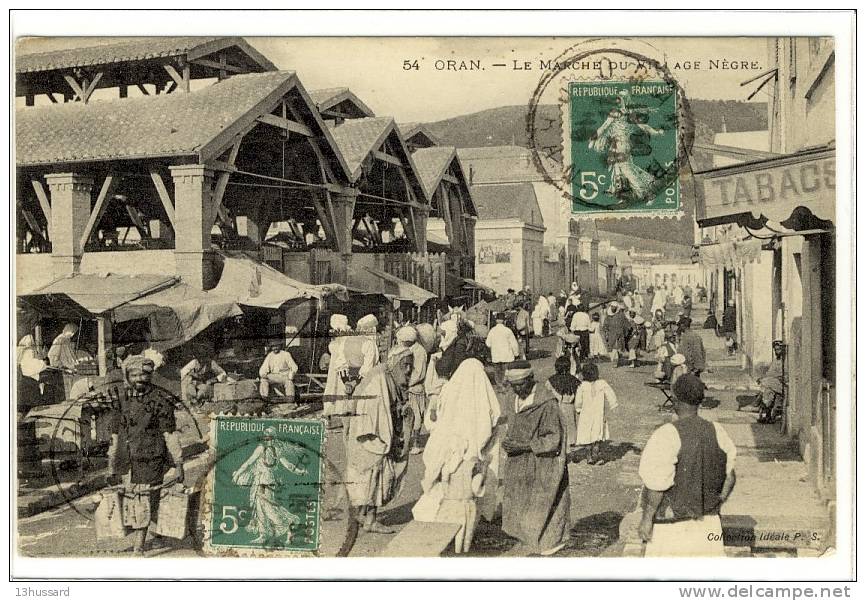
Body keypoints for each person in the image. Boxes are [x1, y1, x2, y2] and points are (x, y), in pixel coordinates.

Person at [638, 374, 737, 556]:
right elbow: (730, 476)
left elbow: (656, 485)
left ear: (675, 399)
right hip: (709, 526)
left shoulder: (666, 434)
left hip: (672, 529)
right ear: (700, 400)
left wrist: (646, 519)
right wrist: (717, 501)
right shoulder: (718, 431)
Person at [413, 358, 502, 553]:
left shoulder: (450, 390)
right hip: (472, 456)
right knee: (470, 497)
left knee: (443, 496)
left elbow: (433, 420)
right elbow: (493, 420)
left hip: (448, 450)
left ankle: (442, 534)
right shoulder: (484, 394)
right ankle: (464, 543)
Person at [107, 356, 184, 554]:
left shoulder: (159, 400)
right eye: (135, 374)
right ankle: (159, 534)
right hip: (128, 459)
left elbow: (170, 434)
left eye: (144, 374)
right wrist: (111, 465)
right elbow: (115, 435)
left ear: (151, 376)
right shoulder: (121, 401)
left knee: (142, 498)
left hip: (152, 458)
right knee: (147, 498)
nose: (140, 378)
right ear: (127, 377)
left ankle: (139, 547)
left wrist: (179, 463)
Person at [501, 362, 571, 556]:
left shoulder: (547, 403)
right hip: (519, 461)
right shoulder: (512, 398)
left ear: (530, 380)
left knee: (545, 501)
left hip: (542, 463)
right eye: (513, 385)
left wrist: (524, 446)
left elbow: (553, 438)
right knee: (522, 501)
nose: (517, 389)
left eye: (521, 385)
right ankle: (528, 539)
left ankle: (549, 544)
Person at [344, 348, 413, 534]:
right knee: (377, 476)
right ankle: (371, 520)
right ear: (395, 363)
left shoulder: (387, 375)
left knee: (367, 478)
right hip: (373, 437)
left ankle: (361, 513)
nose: (408, 370)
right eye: (404, 365)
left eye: (410, 366)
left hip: (367, 436)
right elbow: (378, 414)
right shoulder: (379, 380)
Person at [231, 426, 308, 545]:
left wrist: (237, 475)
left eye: (267, 436)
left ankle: (288, 524)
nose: (266, 438)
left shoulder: (261, 448)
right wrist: (300, 471)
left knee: (267, 507)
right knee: (261, 507)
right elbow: (288, 465)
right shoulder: (277, 450)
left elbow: (248, 462)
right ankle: (264, 534)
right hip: (269, 481)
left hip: (262, 480)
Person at [574, 362, 619, 464]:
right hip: (598, 413)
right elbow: (610, 394)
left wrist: (578, 409)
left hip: (586, 414)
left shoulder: (582, 386)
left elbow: (578, 401)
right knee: (597, 433)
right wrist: (613, 405)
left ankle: (589, 456)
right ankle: (595, 452)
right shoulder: (602, 383)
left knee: (587, 435)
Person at [395, 326, 428, 455]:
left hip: (415, 388)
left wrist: (407, 383)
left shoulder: (419, 352)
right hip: (407, 387)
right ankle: (407, 441)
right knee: (406, 416)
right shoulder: (409, 350)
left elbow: (418, 373)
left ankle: (416, 443)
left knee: (416, 416)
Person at [322, 314, 353, 426]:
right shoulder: (335, 336)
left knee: (341, 387)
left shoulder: (346, 337)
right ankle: (331, 411)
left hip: (342, 364)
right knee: (332, 387)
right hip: (334, 366)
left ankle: (341, 412)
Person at [546, 355, 580, 448]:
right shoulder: (573, 379)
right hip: (570, 406)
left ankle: (560, 446)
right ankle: (571, 444)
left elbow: (548, 392)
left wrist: (555, 393)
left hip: (557, 406)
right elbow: (577, 391)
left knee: (558, 426)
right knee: (570, 425)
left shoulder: (551, 380)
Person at [485, 313, 520, 386]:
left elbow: (488, 343)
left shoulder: (492, 331)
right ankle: (506, 385)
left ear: (496, 321)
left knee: (497, 373)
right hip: (507, 356)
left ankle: (499, 385)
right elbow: (514, 344)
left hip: (496, 356)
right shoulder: (508, 331)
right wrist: (516, 353)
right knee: (506, 372)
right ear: (504, 321)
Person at [757, 341, 786, 424]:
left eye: (779, 349)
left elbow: (780, 374)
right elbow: (770, 372)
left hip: (781, 384)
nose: (777, 352)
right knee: (768, 390)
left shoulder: (784, 361)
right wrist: (763, 378)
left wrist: (764, 379)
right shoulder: (776, 360)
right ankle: (768, 416)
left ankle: (760, 405)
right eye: (776, 350)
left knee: (766, 384)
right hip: (773, 384)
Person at [605, 303, 629, 368]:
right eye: (612, 307)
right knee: (612, 347)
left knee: (616, 347)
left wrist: (624, 331)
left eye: (614, 307)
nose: (613, 308)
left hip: (619, 333)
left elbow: (626, 323)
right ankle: (615, 359)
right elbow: (605, 324)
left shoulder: (621, 315)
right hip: (611, 334)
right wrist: (606, 332)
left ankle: (615, 361)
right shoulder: (608, 315)